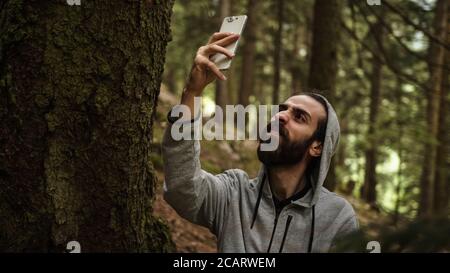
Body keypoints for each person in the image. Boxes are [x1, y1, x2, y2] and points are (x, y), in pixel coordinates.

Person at [162, 32, 358, 253]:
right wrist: (192, 92)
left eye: (299, 117)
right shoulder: (234, 192)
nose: (280, 116)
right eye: (282, 110)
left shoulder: (338, 218)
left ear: (317, 147)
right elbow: (182, 188)